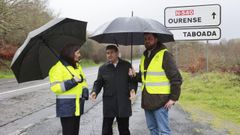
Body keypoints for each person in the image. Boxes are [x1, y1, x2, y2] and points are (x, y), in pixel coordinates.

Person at [129, 33, 182, 135]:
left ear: (156, 39)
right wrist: (134, 75)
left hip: (161, 101)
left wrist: (173, 98)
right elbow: (145, 78)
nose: (147, 41)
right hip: (147, 100)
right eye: (145, 39)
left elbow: (177, 78)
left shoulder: (165, 55)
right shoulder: (145, 56)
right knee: (152, 129)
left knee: (164, 131)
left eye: (150, 38)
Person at [90, 45, 137, 135]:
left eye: (111, 52)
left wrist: (132, 90)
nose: (109, 55)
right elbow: (98, 82)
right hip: (109, 102)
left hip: (123, 101)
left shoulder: (127, 65)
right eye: (107, 53)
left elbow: (132, 81)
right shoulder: (103, 68)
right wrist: (94, 91)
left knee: (124, 129)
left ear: (117, 53)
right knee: (106, 129)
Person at [49, 43, 89, 135]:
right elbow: (55, 87)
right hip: (66, 107)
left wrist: (85, 89)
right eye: (78, 53)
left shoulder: (77, 66)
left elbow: (83, 80)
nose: (80, 55)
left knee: (75, 132)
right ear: (71, 53)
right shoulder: (57, 68)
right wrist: (72, 82)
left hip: (78, 105)